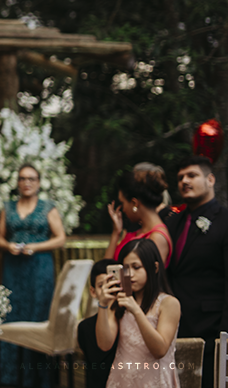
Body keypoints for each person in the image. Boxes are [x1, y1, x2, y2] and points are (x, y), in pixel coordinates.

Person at [0, 164, 67, 387]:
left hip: (39, 268)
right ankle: (11, 378)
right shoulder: (8, 207)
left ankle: (38, 379)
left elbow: (61, 238)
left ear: (38, 182)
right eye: (23, 178)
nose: (27, 182)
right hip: (14, 269)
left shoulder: (48, 207)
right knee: (13, 315)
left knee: (38, 314)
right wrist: (8, 246)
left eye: (31, 178)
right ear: (17, 182)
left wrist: (36, 247)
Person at [166, 155, 227, 388]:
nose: (184, 181)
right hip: (175, 326)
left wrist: (225, 333)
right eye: (181, 177)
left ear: (210, 179)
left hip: (211, 328)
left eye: (192, 175)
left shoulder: (224, 221)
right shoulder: (173, 223)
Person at [96, 238, 181, 388]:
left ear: (154, 268)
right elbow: (104, 345)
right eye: (126, 269)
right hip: (122, 380)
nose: (130, 274)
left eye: (136, 267)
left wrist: (136, 310)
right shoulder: (119, 301)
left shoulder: (168, 303)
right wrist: (103, 305)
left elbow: (160, 350)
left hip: (154, 381)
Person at [105, 169, 172, 267]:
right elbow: (105, 267)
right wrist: (116, 233)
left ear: (134, 203)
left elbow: (150, 278)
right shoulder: (135, 233)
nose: (123, 209)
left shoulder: (157, 237)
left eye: (123, 203)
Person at [77, 258, 120, 388]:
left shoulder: (129, 320)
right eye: (102, 285)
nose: (108, 289)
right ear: (93, 291)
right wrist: (103, 305)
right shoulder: (85, 327)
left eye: (113, 284)